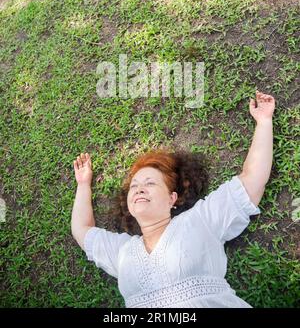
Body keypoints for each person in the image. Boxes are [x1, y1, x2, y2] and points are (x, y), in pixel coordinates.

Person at [71, 90, 275, 308]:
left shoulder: (200, 221)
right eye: (134, 186)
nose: (139, 189)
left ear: (172, 198)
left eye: (150, 183)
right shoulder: (122, 253)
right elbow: (82, 230)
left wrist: (264, 122)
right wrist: (83, 184)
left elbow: (252, 180)